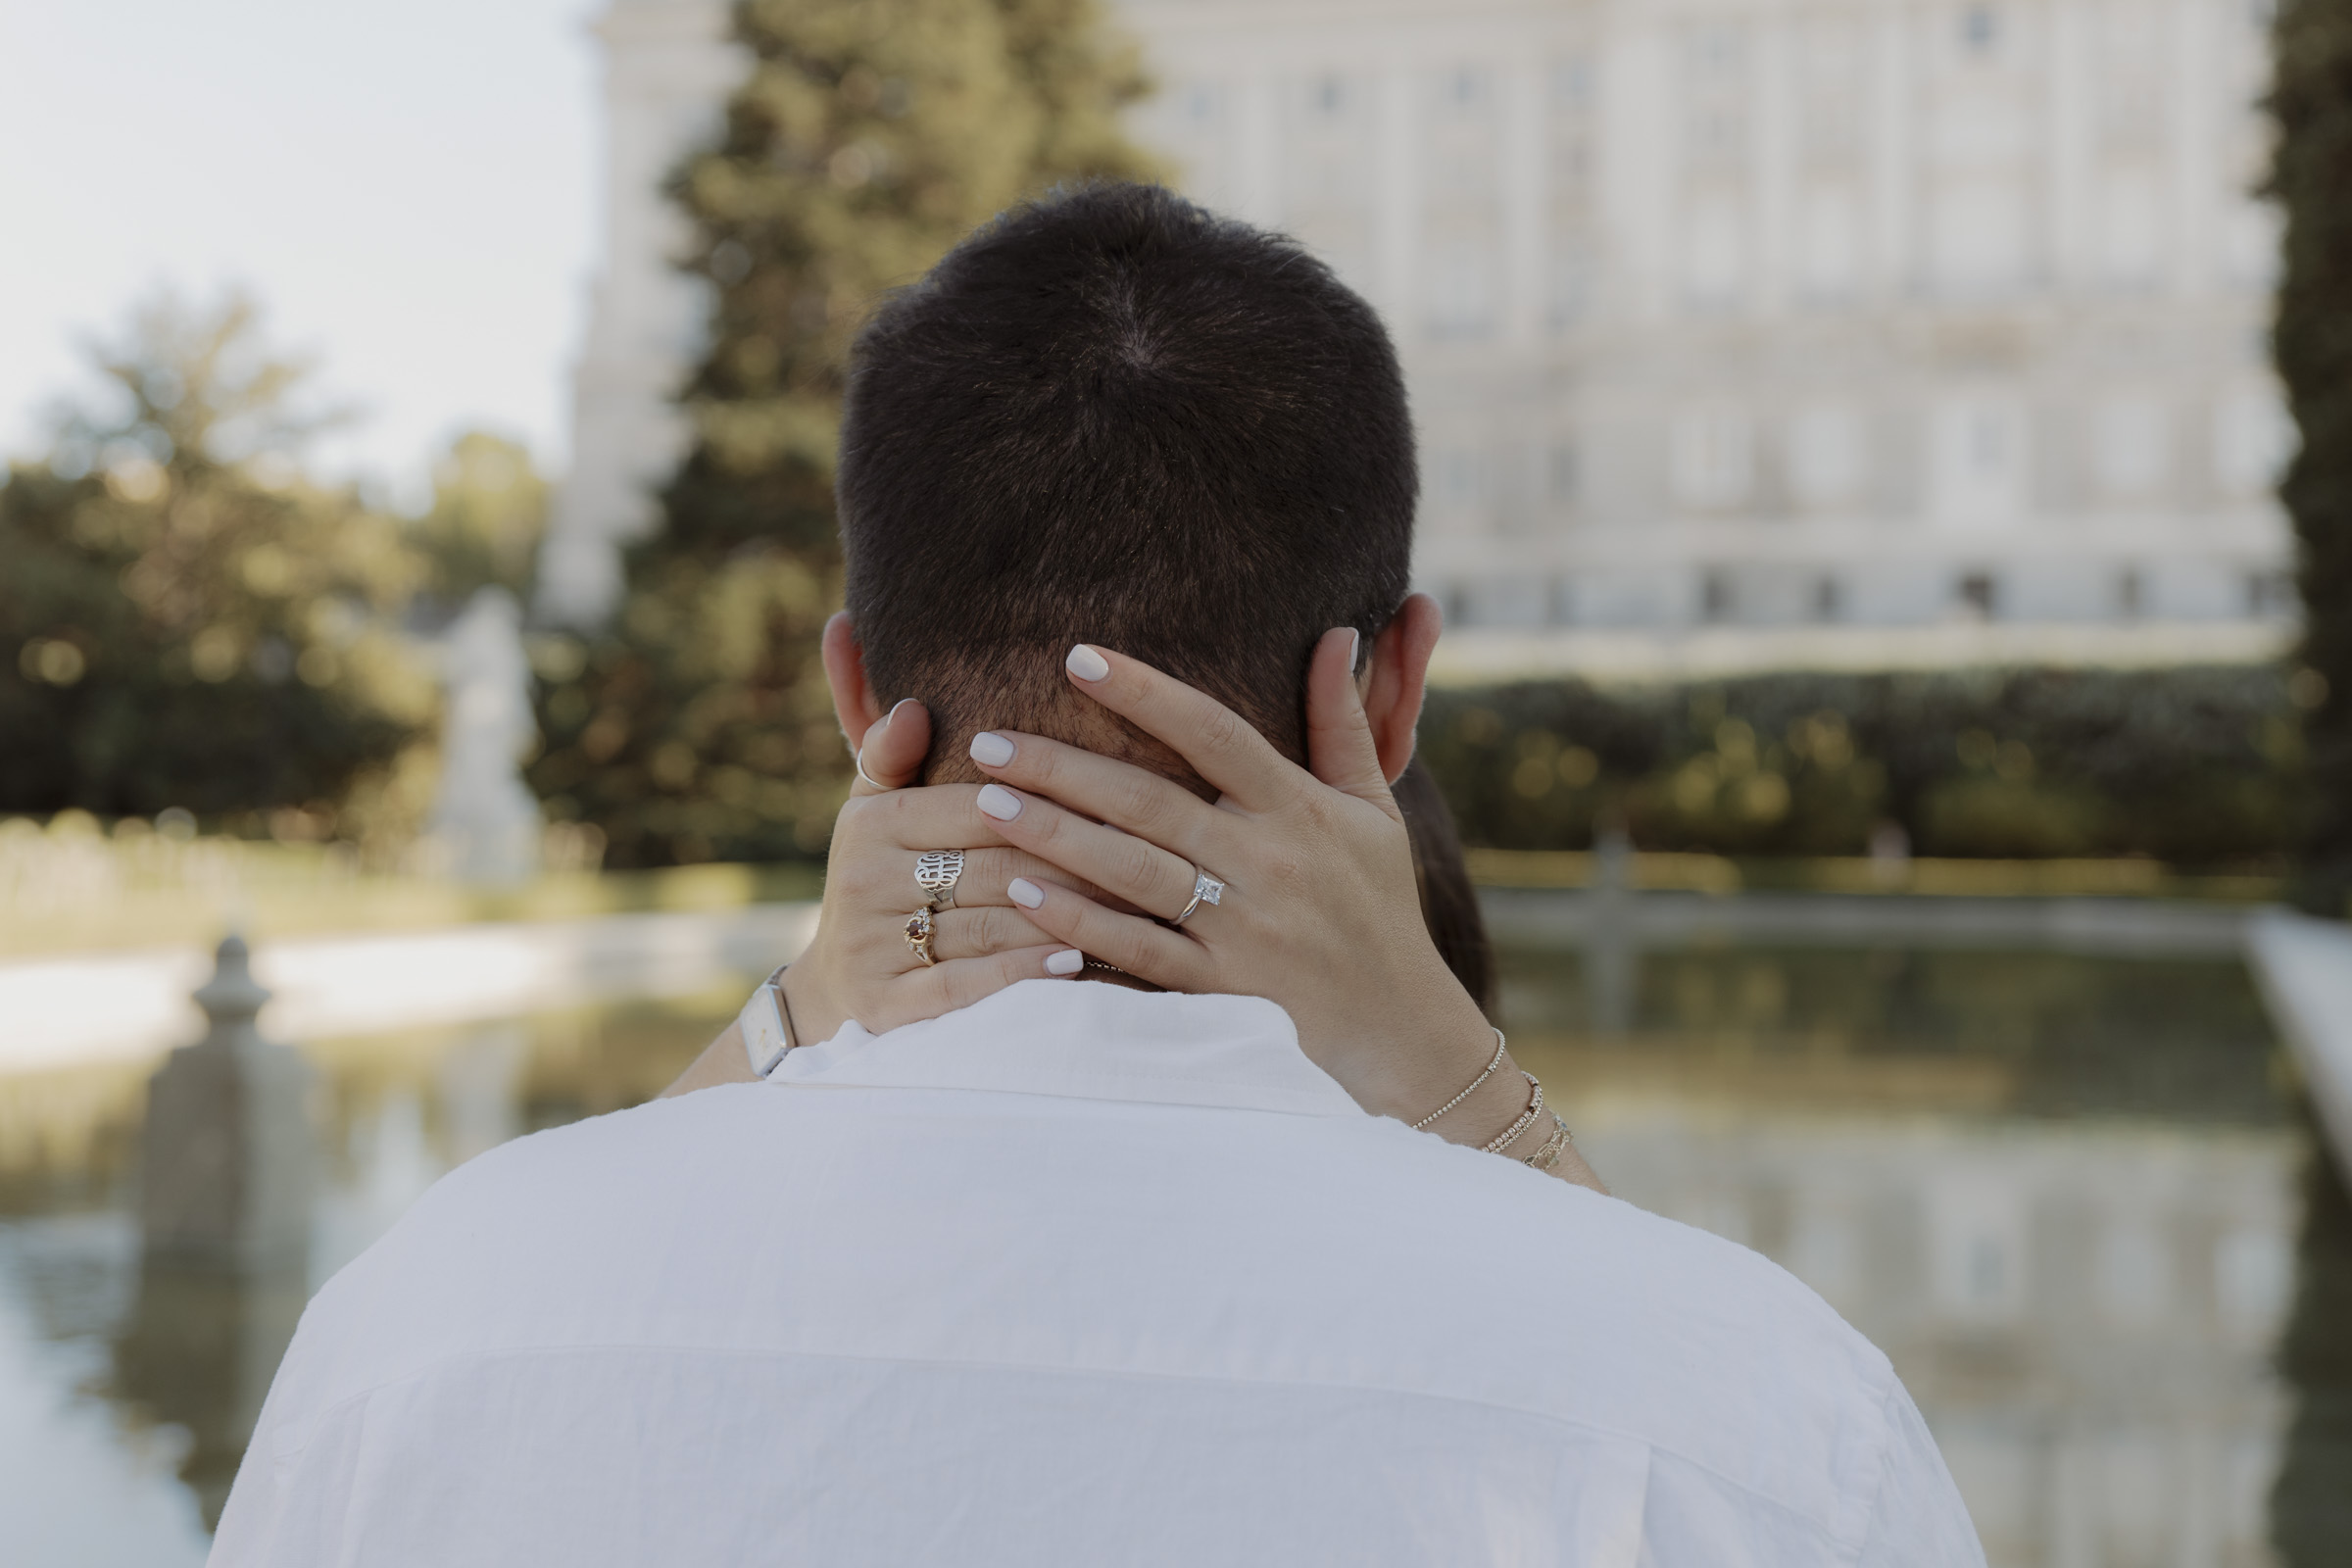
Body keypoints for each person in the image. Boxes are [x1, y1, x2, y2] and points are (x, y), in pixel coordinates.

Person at [210, 184, 1983, 1565]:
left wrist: (797, 1010)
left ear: (852, 692)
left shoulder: (418, 1327)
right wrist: (1456, 1083)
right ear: (1395, 687)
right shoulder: (1757, 1407)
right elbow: (1695, 1393)